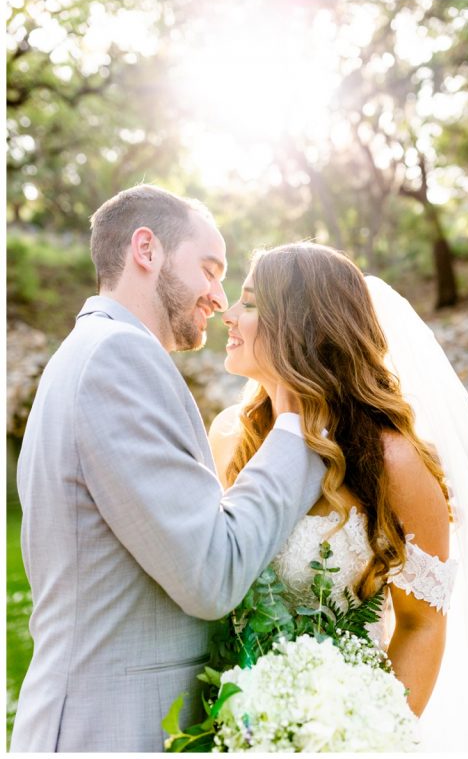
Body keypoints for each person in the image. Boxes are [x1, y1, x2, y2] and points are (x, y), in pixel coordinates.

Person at [12, 185, 325, 752]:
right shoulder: (117, 358)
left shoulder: (92, 351)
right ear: (146, 250)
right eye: (209, 270)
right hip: (111, 729)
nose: (218, 297)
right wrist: (294, 431)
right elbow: (210, 573)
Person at [208, 243, 468, 751]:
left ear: (300, 326)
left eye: (250, 303)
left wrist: (366, 735)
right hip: (236, 728)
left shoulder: (394, 462)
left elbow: (422, 625)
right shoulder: (227, 438)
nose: (228, 316)